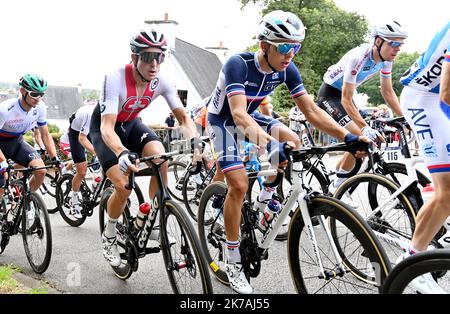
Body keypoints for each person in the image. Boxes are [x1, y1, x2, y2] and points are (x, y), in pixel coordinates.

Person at [206, 10, 368, 294]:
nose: (290, 53)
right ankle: (232, 261)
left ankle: (264, 204)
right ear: (264, 45)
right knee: (240, 184)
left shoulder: (285, 69)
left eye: (296, 47)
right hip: (224, 121)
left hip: (251, 119)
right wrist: (268, 144)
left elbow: (311, 111)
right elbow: (239, 116)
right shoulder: (238, 65)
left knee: (293, 140)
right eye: (283, 46)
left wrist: (350, 136)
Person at [90, 28, 201, 267]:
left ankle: (150, 215)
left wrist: (195, 141)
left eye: (159, 57)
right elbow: (107, 127)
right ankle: (109, 234)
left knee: (161, 159)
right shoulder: (115, 77)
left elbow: (183, 118)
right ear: (134, 57)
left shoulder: (162, 81)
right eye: (148, 57)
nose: (154, 64)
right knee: (124, 186)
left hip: (131, 124)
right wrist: (121, 153)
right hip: (105, 129)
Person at [317, 21, 408, 192]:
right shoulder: (358, 56)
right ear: (378, 41)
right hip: (330, 96)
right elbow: (345, 99)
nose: (398, 49)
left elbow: (388, 92)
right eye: (394, 43)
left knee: (360, 146)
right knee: (361, 138)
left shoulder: (387, 59)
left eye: (400, 44)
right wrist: (365, 128)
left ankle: (336, 180)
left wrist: (406, 118)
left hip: (346, 98)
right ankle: (339, 188)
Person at [396, 22, 450, 293]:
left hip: (438, 99)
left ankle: (415, 250)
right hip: (424, 100)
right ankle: (414, 264)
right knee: (448, 192)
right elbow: (447, 94)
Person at [0, 74, 62, 191]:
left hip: (17, 143)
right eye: (34, 94)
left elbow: (45, 134)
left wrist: (55, 158)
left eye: (41, 94)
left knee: (41, 171)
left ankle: (25, 201)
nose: (38, 99)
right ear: (22, 91)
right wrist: (3, 162)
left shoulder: (40, 107)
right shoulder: (5, 109)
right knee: (1, 187)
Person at [67, 103, 97, 219]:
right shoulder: (90, 113)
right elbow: (82, 138)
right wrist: (96, 152)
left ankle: (97, 184)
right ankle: (73, 200)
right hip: (77, 134)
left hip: (93, 132)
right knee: (82, 172)